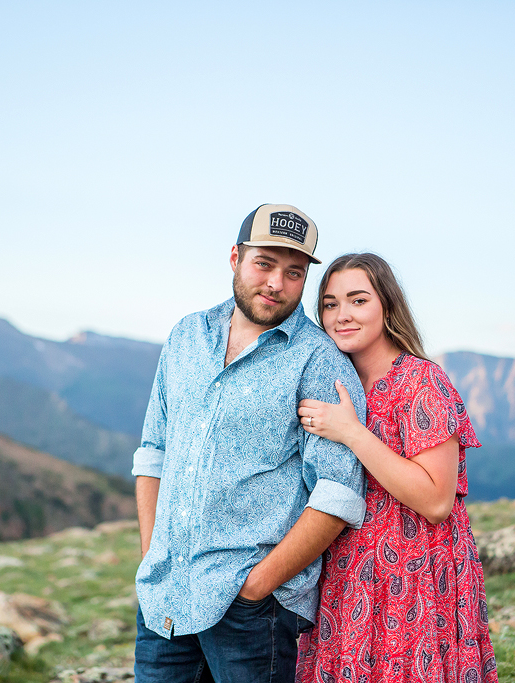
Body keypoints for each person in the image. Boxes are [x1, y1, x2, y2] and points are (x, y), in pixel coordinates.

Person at [132, 204, 368, 683]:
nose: (276, 283)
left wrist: (258, 585)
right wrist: (152, 554)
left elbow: (338, 492)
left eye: (294, 272)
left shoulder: (317, 361)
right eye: (264, 264)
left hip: (252, 611)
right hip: (166, 596)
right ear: (236, 257)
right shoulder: (187, 336)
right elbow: (154, 451)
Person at [295, 253, 499, 683]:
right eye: (330, 304)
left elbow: (437, 499)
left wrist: (352, 433)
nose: (341, 315)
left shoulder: (422, 381)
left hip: (417, 573)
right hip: (349, 572)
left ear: (387, 305)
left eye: (357, 300)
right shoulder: (338, 381)